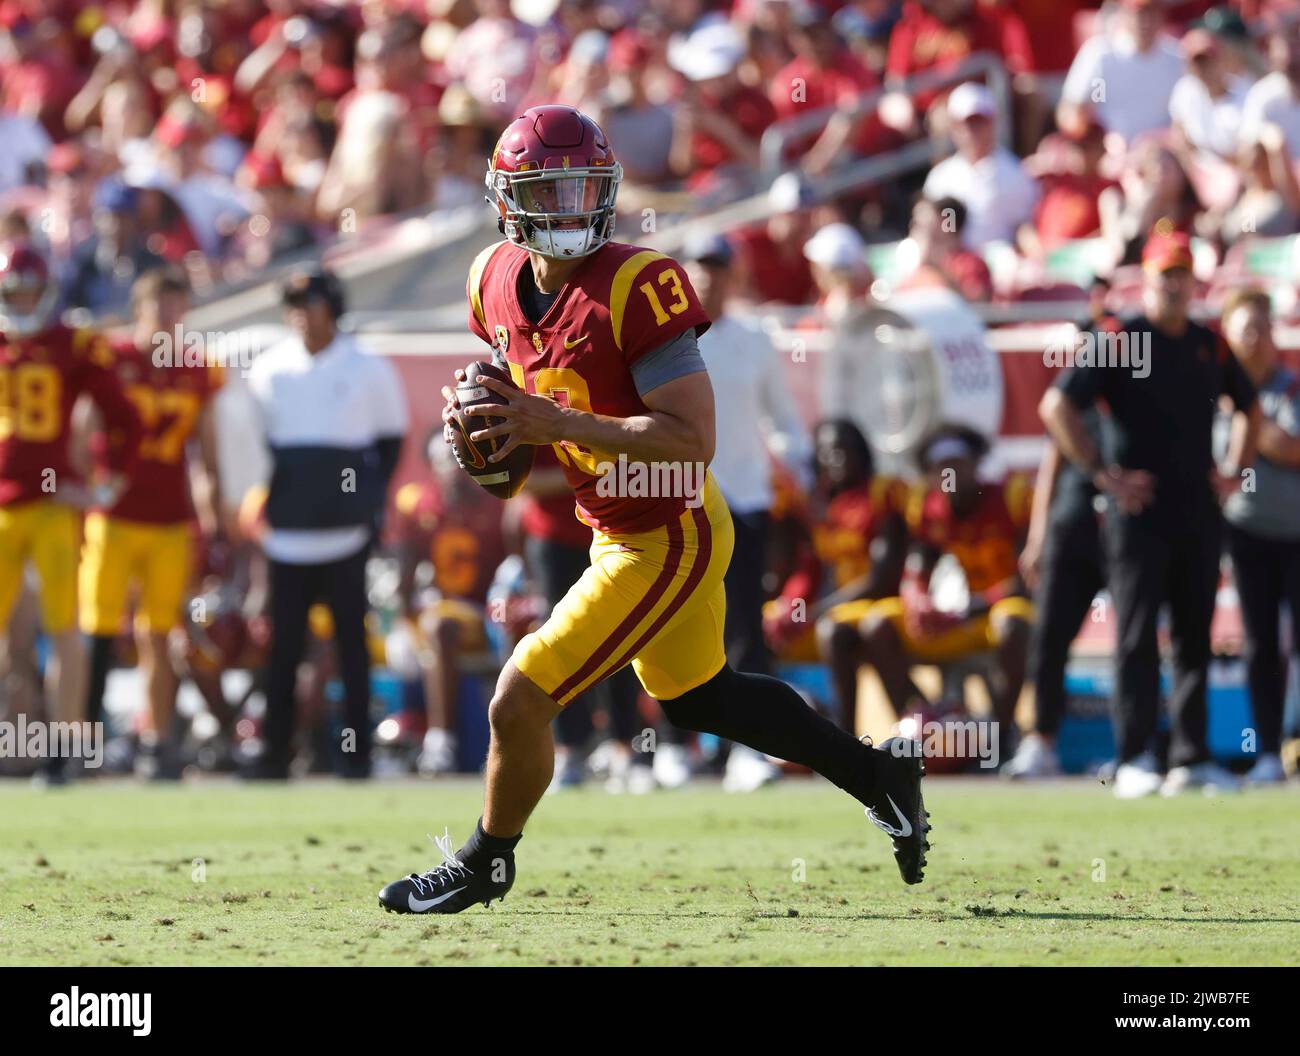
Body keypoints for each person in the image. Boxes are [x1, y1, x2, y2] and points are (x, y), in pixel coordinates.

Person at [378, 105, 930, 915]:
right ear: (508, 201)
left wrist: (548, 423)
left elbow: (692, 439)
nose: (568, 210)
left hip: (671, 527)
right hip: (611, 526)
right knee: (700, 693)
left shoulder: (641, 282)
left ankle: (485, 862)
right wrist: (487, 452)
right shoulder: (489, 280)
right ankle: (881, 777)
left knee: (519, 697)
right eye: (549, 191)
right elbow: (522, 463)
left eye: (581, 190)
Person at [1039, 228, 1260, 798]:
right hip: (1137, 512)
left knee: (1193, 636)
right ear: (1149, 279)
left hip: (1198, 510)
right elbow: (1057, 404)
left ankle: (1191, 757)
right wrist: (1099, 473)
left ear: (1193, 280)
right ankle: (1134, 754)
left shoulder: (1208, 344)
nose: (1175, 285)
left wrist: (1234, 468)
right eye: (1165, 274)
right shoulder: (1119, 338)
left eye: (1183, 273)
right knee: (1135, 636)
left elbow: (1249, 407)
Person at [246, 265, 407, 780]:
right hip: (287, 536)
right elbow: (259, 449)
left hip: (345, 535)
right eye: (292, 304)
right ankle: (275, 755)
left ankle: (356, 757)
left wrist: (361, 501)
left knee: (351, 646)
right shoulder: (269, 369)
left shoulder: (367, 367)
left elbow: (389, 442)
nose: (300, 314)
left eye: (309, 302)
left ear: (331, 307)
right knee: (283, 648)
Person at [0, 240, 141, 783]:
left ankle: (62, 749)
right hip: (9, 508)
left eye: (30, 291)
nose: (22, 301)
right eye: (14, 292)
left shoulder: (73, 345)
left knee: (65, 629)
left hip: (52, 507)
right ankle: (22, 745)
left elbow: (123, 417)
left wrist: (106, 488)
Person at [79, 267, 223, 780]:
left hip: (168, 520)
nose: (167, 317)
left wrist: (215, 518)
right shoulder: (113, 360)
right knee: (95, 629)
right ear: (139, 307)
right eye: (159, 306)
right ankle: (81, 741)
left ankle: (156, 742)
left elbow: (206, 456)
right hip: (113, 517)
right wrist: (84, 494)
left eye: (176, 307)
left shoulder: (195, 367)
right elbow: (83, 430)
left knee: (159, 634)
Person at [684, 231, 814, 791]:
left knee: (744, 632)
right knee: (676, 627)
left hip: (743, 502)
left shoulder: (755, 341)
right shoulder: (662, 339)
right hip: (679, 502)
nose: (709, 276)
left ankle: (750, 750)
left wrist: (804, 471)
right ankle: (676, 747)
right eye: (701, 265)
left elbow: (780, 418)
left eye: (719, 266)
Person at [855, 425, 1035, 741]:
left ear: (976, 464)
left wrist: (967, 609)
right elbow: (919, 566)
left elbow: (1028, 580)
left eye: (957, 465)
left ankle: (1002, 736)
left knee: (1010, 622)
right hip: (965, 617)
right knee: (877, 623)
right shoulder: (930, 509)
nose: (949, 474)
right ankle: (922, 723)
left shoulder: (1010, 498)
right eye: (941, 468)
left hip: (999, 611)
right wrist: (919, 600)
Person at [764, 419, 908, 734]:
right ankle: (760, 734)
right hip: (840, 609)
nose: (836, 459)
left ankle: (846, 736)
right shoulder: (818, 506)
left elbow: (881, 578)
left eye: (844, 450)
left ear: (862, 453)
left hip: (883, 606)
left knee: (833, 630)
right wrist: (788, 607)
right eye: (828, 452)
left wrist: (815, 612)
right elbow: (809, 569)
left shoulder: (882, 493)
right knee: (759, 628)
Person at [1220, 288, 1300, 785]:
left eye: (1264, 328)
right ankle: (1267, 749)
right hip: (1245, 534)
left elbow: (1292, 448)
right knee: (1259, 643)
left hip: (1296, 534)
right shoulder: (1212, 392)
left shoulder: (1287, 388)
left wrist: (1247, 420)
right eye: (1247, 328)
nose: (1258, 339)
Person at [392, 430, 506, 777]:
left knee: (441, 625)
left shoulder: (496, 502)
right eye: (444, 462)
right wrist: (402, 616)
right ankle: (421, 737)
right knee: (434, 625)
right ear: (431, 467)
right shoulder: (419, 505)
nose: (453, 470)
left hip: (486, 611)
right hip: (440, 610)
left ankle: (441, 742)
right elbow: (405, 576)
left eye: (459, 460)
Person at [1004, 412, 1106, 779]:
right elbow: (1051, 470)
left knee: (1135, 638)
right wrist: (1037, 537)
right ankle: (1041, 740)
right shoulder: (1073, 397)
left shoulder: (1142, 386)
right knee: (1048, 633)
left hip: (1129, 528)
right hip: (1072, 530)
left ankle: (1135, 749)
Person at [922, 82, 1039, 251]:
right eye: (967, 123)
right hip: (955, 265)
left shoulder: (1015, 174)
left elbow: (1024, 229)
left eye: (979, 122)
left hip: (1000, 264)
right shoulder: (941, 179)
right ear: (954, 126)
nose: (972, 131)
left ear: (993, 122)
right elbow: (942, 232)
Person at [1058, 0, 1183, 144]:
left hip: (1161, 153)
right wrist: (1088, 132)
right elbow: (1074, 107)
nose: (1145, 22)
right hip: (1108, 153)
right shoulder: (1101, 54)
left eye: (1152, 13)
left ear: (1161, 16)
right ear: (1124, 15)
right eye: (1139, 14)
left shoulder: (1177, 58)